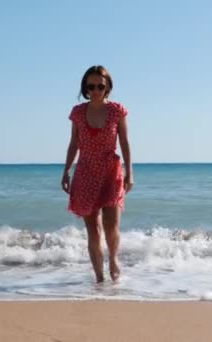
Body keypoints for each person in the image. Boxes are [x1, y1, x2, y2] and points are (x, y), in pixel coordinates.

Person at [61, 65, 133, 283]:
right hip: (85, 173)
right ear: (85, 87)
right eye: (91, 86)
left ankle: (112, 259)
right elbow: (74, 144)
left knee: (111, 228)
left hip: (111, 172)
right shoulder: (78, 113)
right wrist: (66, 171)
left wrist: (130, 172)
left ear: (108, 87)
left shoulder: (117, 111)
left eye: (100, 86)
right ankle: (100, 278)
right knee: (93, 230)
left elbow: (125, 142)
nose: (95, 90)